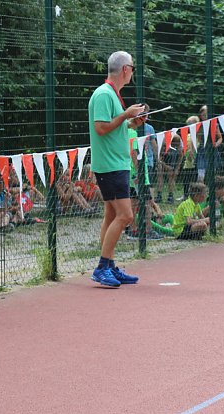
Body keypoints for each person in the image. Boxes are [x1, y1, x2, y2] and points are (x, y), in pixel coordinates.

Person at [88, 51, 144, 287]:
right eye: (132, 67)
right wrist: (126, 115)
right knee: (126, 216)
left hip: (116, 164)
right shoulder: (103, 94)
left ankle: (109, 265)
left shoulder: (112, 94)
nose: (133, 71)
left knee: (112, 215)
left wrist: (132, 122)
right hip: (110, 165)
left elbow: (113, 126)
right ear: (125, 69)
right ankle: (102, 267)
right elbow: (101, 128)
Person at [195, 105, 223, 183]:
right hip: (202, 151)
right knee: (201, 175)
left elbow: (220, 138)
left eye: (207, 114)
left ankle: (212, 193)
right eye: (203, 115)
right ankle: (199, 192)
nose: (205, 116)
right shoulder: (198, 125)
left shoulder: (215, 124)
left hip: (212, 151)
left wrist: (216, 144)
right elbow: (198, 139)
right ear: (200, 115)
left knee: (212, 175)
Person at [179, 116, 199, 199]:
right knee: (186, 180)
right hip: (187, 163)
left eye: (190, 125)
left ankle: (193, 196)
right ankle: (185, 195)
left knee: (194, 181)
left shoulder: (198, 135)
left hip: (195, 162)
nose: (188, 127)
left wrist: (193, 155)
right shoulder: (187, 136)